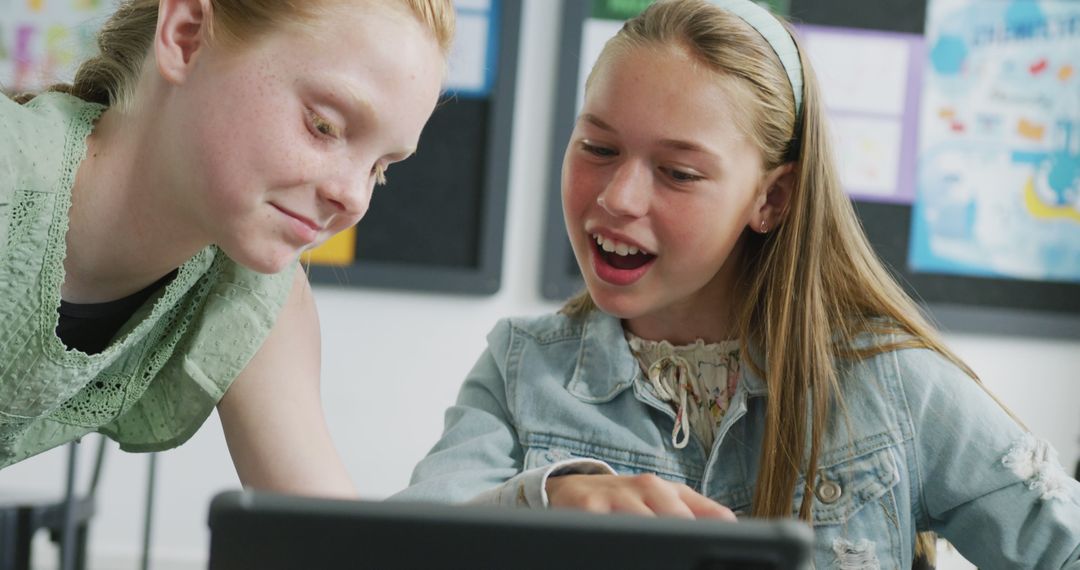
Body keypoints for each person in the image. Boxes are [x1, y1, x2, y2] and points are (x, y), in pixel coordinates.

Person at [392, 0, 1080, 567]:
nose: (618, 197)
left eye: (678, 172)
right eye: (597, 148)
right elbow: (405, 547)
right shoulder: (522, 368)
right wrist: (547, 499)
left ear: (771, 200)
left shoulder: (894, 382)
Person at [0, 0, 453, 498]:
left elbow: (326, 534)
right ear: (187, 36)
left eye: (380, 168)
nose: (353, 198)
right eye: (324, 126)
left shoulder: (253, 299)